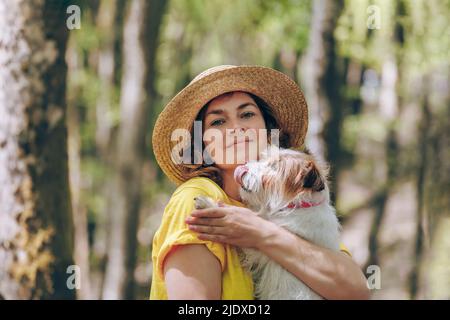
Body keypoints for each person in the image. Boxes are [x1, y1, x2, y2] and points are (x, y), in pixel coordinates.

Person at [150, 65, 370, 300]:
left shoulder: (291, 200)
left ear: (268, 130)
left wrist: (260, 233)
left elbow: (356, 291)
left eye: (246, 115)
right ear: (201, 145)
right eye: (217, 123)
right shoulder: (196, 199)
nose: (236, 128)